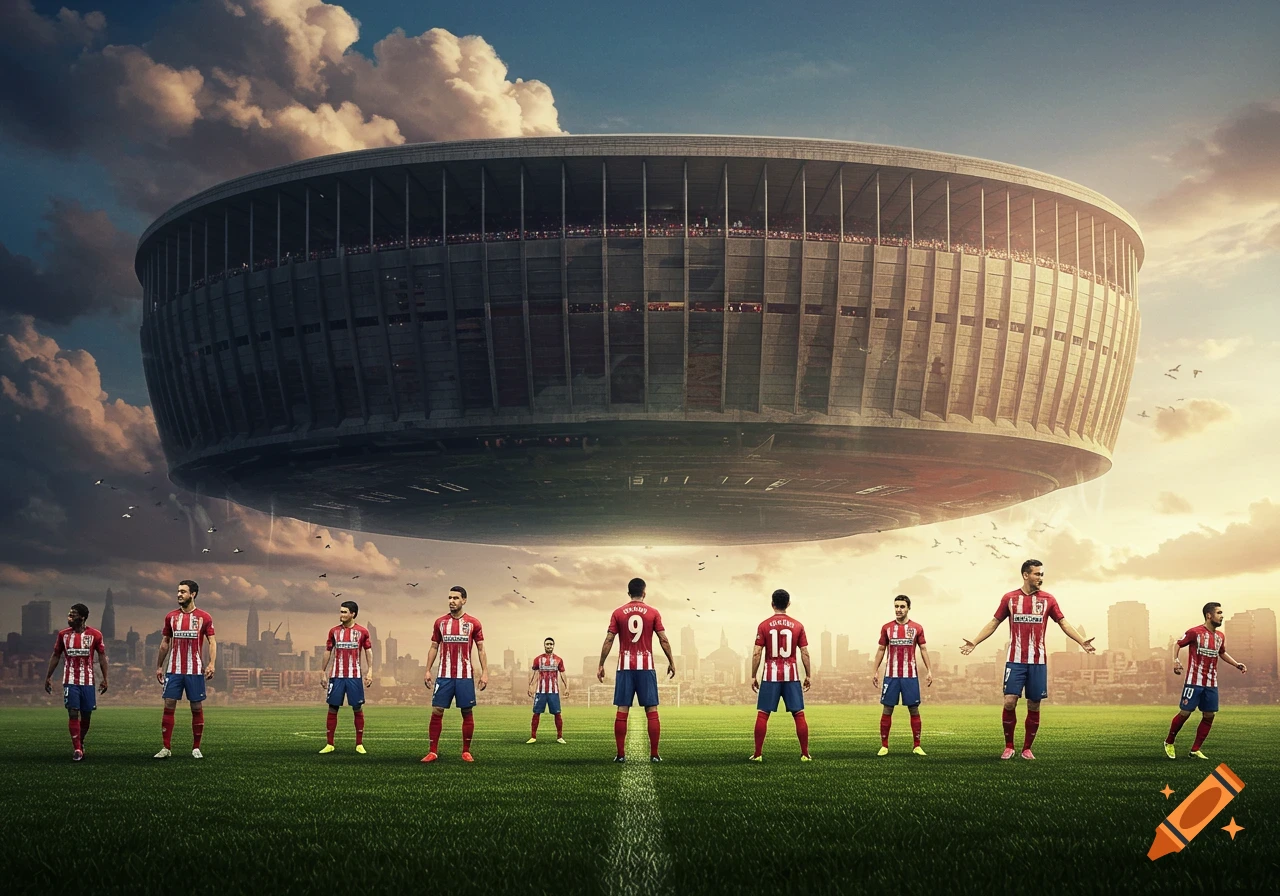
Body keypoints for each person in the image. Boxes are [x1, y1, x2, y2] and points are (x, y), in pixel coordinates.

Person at [960, 560, 1093, 759]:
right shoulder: (1010, 598)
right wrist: (975, 642)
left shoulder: (1048, 599)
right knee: (1009, 702)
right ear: (1025, 575)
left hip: (1038, 662)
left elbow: (1063, 623)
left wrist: (1082, 641)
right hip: (1015, 661)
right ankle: (1009, 746)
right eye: (1037, 574)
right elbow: (994, 622)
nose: (1041, 578)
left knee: (1034, 704)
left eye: (1042, 574)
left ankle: (1027, 749)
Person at [597, 577, 676, 762]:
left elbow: (609, 639)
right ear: (644, 592)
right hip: (646, 666)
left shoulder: (618, 612)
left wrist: (601, 664)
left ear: (628, 593)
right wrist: (671, 661)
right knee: (651, 709)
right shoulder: (653, 612)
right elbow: (663, 639)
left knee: (622, 710)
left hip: (624, 667)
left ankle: (620, 755)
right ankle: (655, 755)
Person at [1164, 602, 1247, 760]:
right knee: (1185, 713)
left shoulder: (1220, 636)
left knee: (1209, 715)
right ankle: (1169, 742)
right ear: (1209, 615)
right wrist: (1175, 660)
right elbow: (1177, 644)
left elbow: (1222, 653)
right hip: (1194, 681)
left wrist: (1237, 664)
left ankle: (1195, 750)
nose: (1222, 616)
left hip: (1211, 683)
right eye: (1219, 613)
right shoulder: (1195, 632)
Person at [421, 586, 488, 763]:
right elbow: (434, 646)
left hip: (465, 675)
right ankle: (433, 751)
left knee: (466, 711)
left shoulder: (474, 623)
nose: (452, 601)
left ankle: (466, 751)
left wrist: (485, 673)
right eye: (450, 598)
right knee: (437, 710)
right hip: (444, 675)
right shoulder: (440, 623)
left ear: (464, 600)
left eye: (456, 598)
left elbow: (481, 649)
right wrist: (428, 670)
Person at [154, 580, 216, 759]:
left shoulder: (204, 617)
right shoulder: (171, 617)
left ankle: (196, 747)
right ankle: (166, 748)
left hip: (194, 670)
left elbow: (212, 641)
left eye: (183, 591)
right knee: (168, 705)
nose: (179, 594)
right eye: (178, 591)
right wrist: (159, 666)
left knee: (196, 706)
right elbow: (165, 642)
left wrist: (212, 663)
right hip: (173, 670)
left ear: (193, 594)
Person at [749, 588, 812, 761]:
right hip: (791, 676)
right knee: (799, 714)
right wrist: (808, 675)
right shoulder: (798, 626)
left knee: (763, 713)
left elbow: (756, 653)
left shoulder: (763, 625)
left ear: (772, 604)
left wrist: (753, 675)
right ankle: (805, 754)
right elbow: (804, 653)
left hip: (770, 676)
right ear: (788, 604)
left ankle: (758, 754)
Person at [44, 603, 108, 761]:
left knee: (86, 715)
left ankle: (81, 741)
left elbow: (101, 657)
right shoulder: (63, 635)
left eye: (73, 615)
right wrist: (48, 676)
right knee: (73, 712)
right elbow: (56, 655)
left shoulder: (95, 635)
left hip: (88, 681)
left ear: (82, 618)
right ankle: (77, 749)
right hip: (70, 680)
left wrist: (105, 679)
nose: (69, 618)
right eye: (69, 614)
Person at [872, 594, 933, 756]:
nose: (898, 610)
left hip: (910, 676)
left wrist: (929, 670)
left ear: (908, 608)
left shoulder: (917, 628)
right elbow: (880, 650)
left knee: (914, 709)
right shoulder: (887, 628)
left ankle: (917, 746)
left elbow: (924, 649)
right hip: (891, 676)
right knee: (887, 709)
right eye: (896, 606)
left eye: (902, 607)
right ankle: (884, 745)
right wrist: (875, 671)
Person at [319, 600, 373, 754]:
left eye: (344, 612)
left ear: (353, 614)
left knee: (357, 708)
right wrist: (322, 671)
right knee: (333, 707)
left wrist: (370, 671)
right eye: (340, 611)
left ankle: (359, 744)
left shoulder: (362, 632)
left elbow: (368, 651)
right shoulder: (334, 631)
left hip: (354, 676)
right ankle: (329, 744)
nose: (341, 615)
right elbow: (328, 651)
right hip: (336, 676)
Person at [526, 637, 569, 744]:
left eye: (550, 644)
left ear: (553, 646)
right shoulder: (538, 659)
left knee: (557, 713)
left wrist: (567, 687)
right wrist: (531, 686)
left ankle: (559, 737)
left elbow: (563, 674)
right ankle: (533, 737)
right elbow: (535, 673)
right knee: (536, 713)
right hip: (540, 692)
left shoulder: (558, 659)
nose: (549, 646)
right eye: (547, 644)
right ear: (544, 645)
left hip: (553, 692)